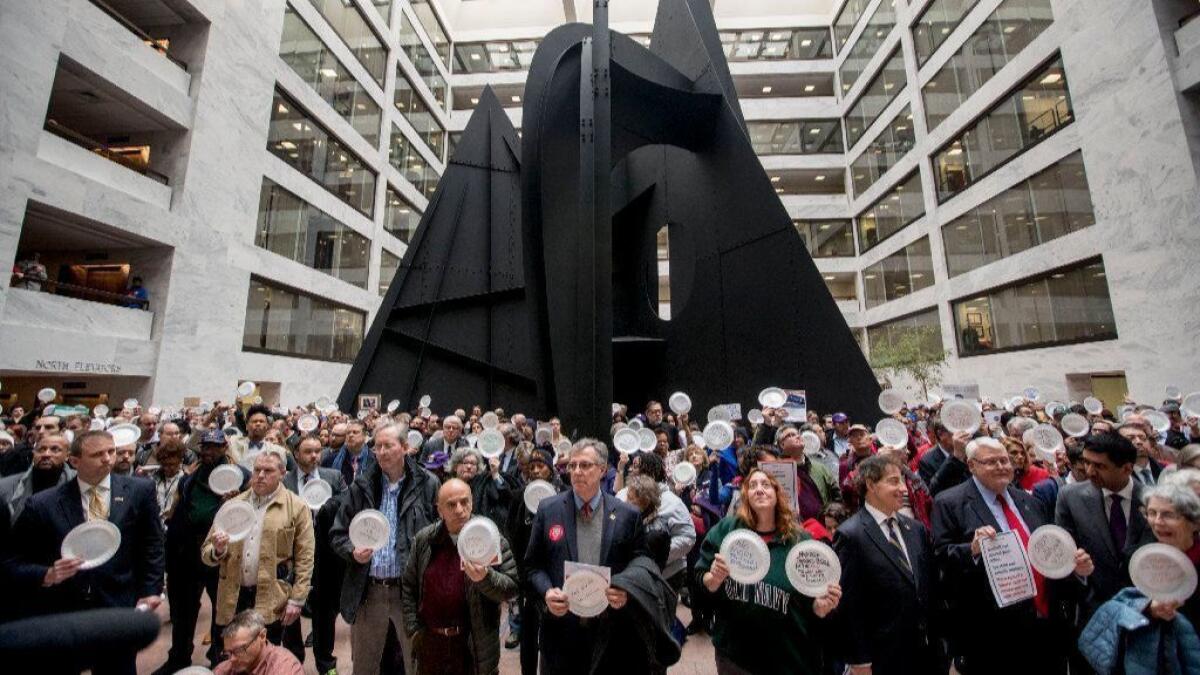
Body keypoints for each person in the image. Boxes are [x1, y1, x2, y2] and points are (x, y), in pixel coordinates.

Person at [932, 434, 1092, 675]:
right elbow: (941, 557)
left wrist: (1074, 567)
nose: (1001, 467)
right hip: (994, 632)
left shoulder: (1029, 501)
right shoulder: (950, 502)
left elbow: (1047, 550)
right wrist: (973, 549)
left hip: (1047, 623)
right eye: (991, 462)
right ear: (971, 465)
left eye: (1004, 460)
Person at [10, 429, 165, 675]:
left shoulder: (140, 491)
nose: (108, 459)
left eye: (111, 451)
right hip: (64, 611)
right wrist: (47, 574)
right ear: (75, 461)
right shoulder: (42, 504)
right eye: (97, 454)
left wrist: (150, 590)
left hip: (117, 606)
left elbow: (152, 544)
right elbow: (12, 561)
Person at [695, 468, 842, 674]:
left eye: (765, 485)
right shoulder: (727, 531)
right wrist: (713, 579)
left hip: (788, 658)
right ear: (745, 495)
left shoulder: (801, 542)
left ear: (777, 493)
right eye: (752, 486)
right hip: (736, 657)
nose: (759, 490)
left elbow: (816, 604)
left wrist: (821, 608)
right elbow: (700, 580)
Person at [524, 438, 652, 674]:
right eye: (572, 466)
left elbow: (642, 567)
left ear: (603, 470)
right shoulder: (548, 509)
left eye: (585, 465)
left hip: (610, 632)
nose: (577, 472)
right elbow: (533, 566)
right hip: (561, 631)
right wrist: (546, 592)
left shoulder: (627, 515)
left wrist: (627, 592)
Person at [330, 422, 439, 675]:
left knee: (417, 662)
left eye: (388, 445)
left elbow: (439, 535)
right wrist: (352, 551)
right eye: (377, 446)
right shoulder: (361, 485)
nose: (381, 451)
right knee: (365, 665)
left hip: (409, 592)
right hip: (370, 591)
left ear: (405, 448)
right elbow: (337, 533)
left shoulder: (428, 484)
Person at [834, 455, 945, 675]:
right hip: (883, 658)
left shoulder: (916, 529)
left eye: (902, 481)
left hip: (927, 653)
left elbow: (929, 589)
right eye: (894, 481)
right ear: (871, 485)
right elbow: (850, 606)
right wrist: (860, 661)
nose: (903, 489)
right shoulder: (850, 535)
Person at [202, 449, 315, 664]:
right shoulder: (233, 506)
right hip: (233, 596)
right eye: (257, 470)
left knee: (264, 660)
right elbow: (206, 553)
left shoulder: (297, 507)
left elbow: (305, 557)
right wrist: (217, 550)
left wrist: (297, 600)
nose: (261, 475)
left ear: (282, 473)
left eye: (268, 470)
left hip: (271, 598)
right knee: (230, 658)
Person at [155, 429, 251, 674]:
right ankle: (179, 656)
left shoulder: (240, 475)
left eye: (213, 447)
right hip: (187, 552)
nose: (208, 451)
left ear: (223, 447)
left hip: (221, 552)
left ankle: (222, 658)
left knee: (223, 610)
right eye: (205, 446)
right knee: (183, 610)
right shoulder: (191, 476)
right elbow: (179, 507)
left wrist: (236, 500)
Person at [401, 478, 519, 675]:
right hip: (430, 644)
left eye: (464, 502)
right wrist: (414, 630)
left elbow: (511, 587)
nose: (459, 509)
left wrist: (485, 578)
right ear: (439, 510)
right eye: (451, 504)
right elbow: (409, 586)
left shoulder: (491, 536)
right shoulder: (425, 540)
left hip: (471, 646)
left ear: (472, 503)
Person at [1055, 432, 1155, 619]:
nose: (1090, 471)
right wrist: (1077, 569)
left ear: (1126, 469)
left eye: (1100, 466)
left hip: (1148, 609)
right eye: (1087, 462)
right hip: (1096, 610)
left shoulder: (1155, 501)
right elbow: (1062, 556)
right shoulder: (1069, 497)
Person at [282, 434, 347, 675]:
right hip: (293, 554)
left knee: (325, 611)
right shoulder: (285, 480)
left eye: (318, 451)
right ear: (296, 454)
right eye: (308, 451)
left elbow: (346, 502)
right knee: (289, 609)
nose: (314, 456)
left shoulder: (333, 477)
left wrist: (328, 506)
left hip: (326, 555)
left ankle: (326, 663)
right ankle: (293, 660)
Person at [505, 445, 563, 675]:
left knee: (555, 634)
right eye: (532, 467)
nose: (537, 470)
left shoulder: (563, 494)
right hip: (528, 576)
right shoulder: (520, 496)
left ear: (550, 469)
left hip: (555, 575)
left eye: (541, 466)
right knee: (528, 635)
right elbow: (511, 532)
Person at [0, 430, 74, 519]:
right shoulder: (5, 486)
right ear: (33, 453)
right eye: (41, 449)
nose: (46, 454)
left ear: (67, 456)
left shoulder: (79, 482)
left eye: (55, 449)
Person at [213, 609, 304, 675]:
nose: (232, 659)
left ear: (262, 636)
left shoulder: (284, 668)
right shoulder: (227, 667)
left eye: (239, 650)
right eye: (228, 652)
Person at [323, 419, 374, 487]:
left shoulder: (375, 460)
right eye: (348, 433)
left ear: (364, 436)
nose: (350, 435)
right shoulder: (330, 460)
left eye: (355, 432)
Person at [916, 421, 954, 486]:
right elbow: (932, 489)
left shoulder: (965, 453)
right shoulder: (926, 462)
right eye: (953, 431)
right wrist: (954, 458)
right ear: (941, 435)